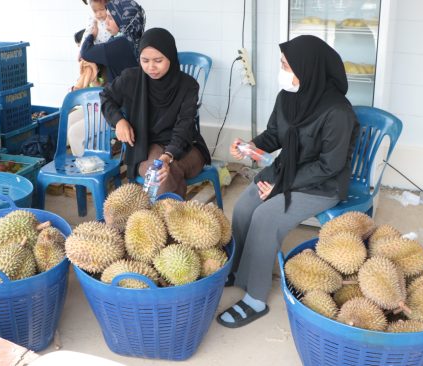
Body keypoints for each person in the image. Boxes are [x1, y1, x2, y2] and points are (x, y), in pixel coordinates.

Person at [217, 35, 360, 328]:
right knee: (245, 206)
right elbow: (274, 135)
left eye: (286, 65)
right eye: (282, 63)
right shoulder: (288, 97)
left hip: (322, 183)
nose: (282, 70)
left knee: (267, 217)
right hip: (286, 170)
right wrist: (250, 145)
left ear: (308, 69)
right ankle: (237, 271)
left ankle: (255, 296)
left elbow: (329, 166)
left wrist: (282, 184)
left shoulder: (338, 112)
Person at [100, 28, 211, 197]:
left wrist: (167, 157)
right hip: (147, 145)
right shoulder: (131, 78)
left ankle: (162, 219)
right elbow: (106, 97)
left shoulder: (188, 85)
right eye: (145, 60)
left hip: (186, 144)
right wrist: (119, 121)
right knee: (160, 175)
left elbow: (185, 125)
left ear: (171, 58)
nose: (151, 67)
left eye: (158, 60)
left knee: (164, 172)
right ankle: (175, 219)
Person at [68, 0, 145, 158]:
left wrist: (91, 34)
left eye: (110, 18)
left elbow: (86, 52)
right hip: (115, 101)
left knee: (75, 133)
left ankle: (89, 173)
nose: (104, 21)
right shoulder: (134, 39)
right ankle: (95, 161)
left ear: (122, 21)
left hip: (120, 110)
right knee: (70, 120)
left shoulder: (119, 45)